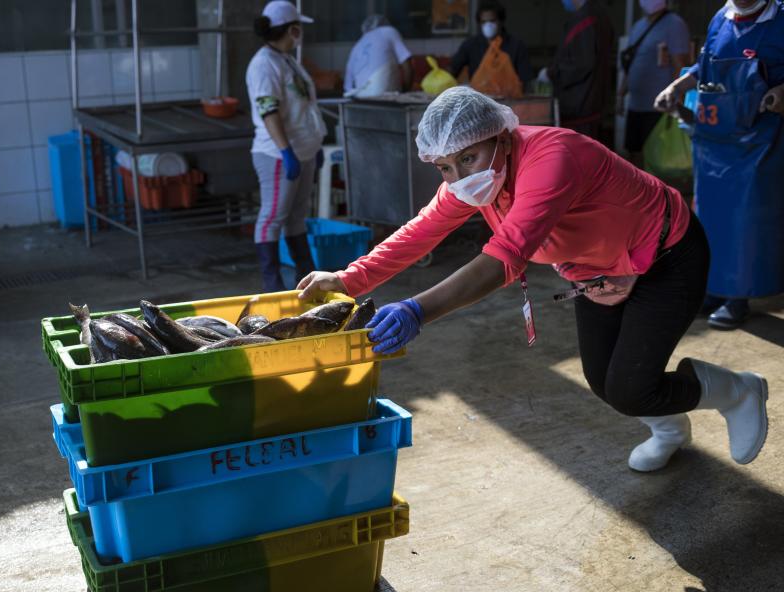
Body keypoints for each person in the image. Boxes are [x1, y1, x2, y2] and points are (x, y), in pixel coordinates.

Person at [299, 87, 770, 473]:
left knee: (630, 387)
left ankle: (739, 390)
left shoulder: (552, 158)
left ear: (500, 137)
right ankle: (670, 428)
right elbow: (421, 231)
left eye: (468, 158)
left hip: (667, 254)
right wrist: (347, 279)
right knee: (605, 382)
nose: (458, 175)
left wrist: (417, 309)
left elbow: (502, 260)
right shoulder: (477, 179)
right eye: (445, 167)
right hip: (597, 270)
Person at [655, 0, 784, 330]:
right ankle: (714, 289)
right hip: (713, 140)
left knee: (747, 221)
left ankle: (737, 297)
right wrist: (676, 87)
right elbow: (704, 66)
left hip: (761, 140)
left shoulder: (779, 18)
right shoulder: (720, 20)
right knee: (711, 219)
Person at [245, 0, 327, 292]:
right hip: (276, 153)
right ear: (292, 29)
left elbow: (302, 107)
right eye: (298, 28)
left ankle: (304, 279)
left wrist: (313, 147)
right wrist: (286, 151)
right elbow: (269, 110)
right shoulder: (263, 64)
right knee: (272, 217)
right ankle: (272, 285)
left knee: (296, 217)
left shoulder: (286, 59)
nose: (300, 33)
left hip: (303, 151)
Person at [617, 0, 691, 166]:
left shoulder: (674, 24)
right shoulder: (638, 26)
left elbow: (680, 65)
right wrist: (621, 95)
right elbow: (630, 64)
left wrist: (679, 99)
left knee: (655, 155)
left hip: (660, 107)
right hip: (636, 104)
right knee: (634, 152)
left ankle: (657, 191)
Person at [540, 0, 614, 140]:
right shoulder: (600, 16)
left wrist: (551, 73)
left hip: (581, 106)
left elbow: (581, 64)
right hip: (592, 103)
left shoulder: (585, 21)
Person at [448, 0, 533, 87]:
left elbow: (526, 79)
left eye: (492, 21)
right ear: (479, 23)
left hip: (509, 97)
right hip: (479, 97)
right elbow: (452, 71)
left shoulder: (517, 46)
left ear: (501, 21)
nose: (488, 25)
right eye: (484, 22)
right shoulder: (470, 45)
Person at [344, 14, 413, 98]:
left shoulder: (357, 45)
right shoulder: (389, 31)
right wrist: (406, 91)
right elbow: (407, 63)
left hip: (359, 96)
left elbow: (348, 86)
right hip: (382, 91)